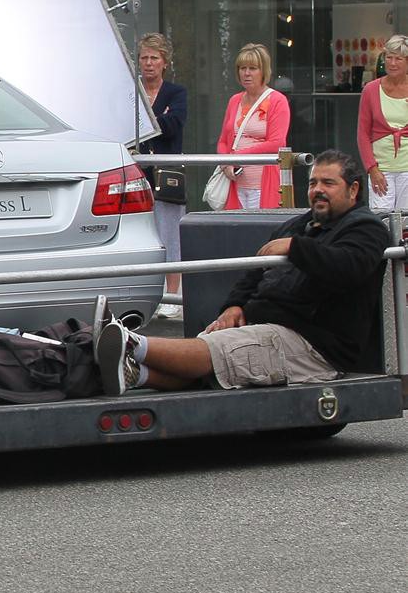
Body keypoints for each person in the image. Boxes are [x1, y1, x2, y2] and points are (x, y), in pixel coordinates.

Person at [97, 150, 388, 395]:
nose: (317, 190)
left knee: (214, 350)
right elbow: (255, 271)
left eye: (328, 183)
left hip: (315, 345)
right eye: (313, 183)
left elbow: (349, 267)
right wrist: (234, 306)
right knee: (209, 354)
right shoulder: (299, 225)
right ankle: (135, 373)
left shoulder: (366, 228)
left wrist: (296, 248)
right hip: (267, 326)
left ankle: (129, 342)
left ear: (353, 189)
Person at [137, 32, 188, 321]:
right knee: (145, 234)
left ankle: (173, 296)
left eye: (154, 58)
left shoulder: (176, 93)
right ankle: (151, 293)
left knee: (170, 233)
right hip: (137, 171)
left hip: (167, 172)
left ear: (165, 62)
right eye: (144, 57)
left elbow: (175, 123)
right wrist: (160, 119)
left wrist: (146, 123)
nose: (148, 63)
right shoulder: (132, 92)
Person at [214, 42, 290, 209]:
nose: (246, 73)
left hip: (263, 184)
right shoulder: (234, 100)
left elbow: (277, 143)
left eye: (253, 68)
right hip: (236, 183)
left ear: (264, 71)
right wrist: (226, 162)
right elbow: (223, 141)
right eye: (242, 68)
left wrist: (239, 156)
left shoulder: (278, 100)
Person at [358, 34, 408, 211]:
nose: (392, 63)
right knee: (381, 222)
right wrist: (372, 169)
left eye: (398, 58)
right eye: (389, 57)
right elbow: (363, 134)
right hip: (381, 169)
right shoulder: (371, 90)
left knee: (406, 226)